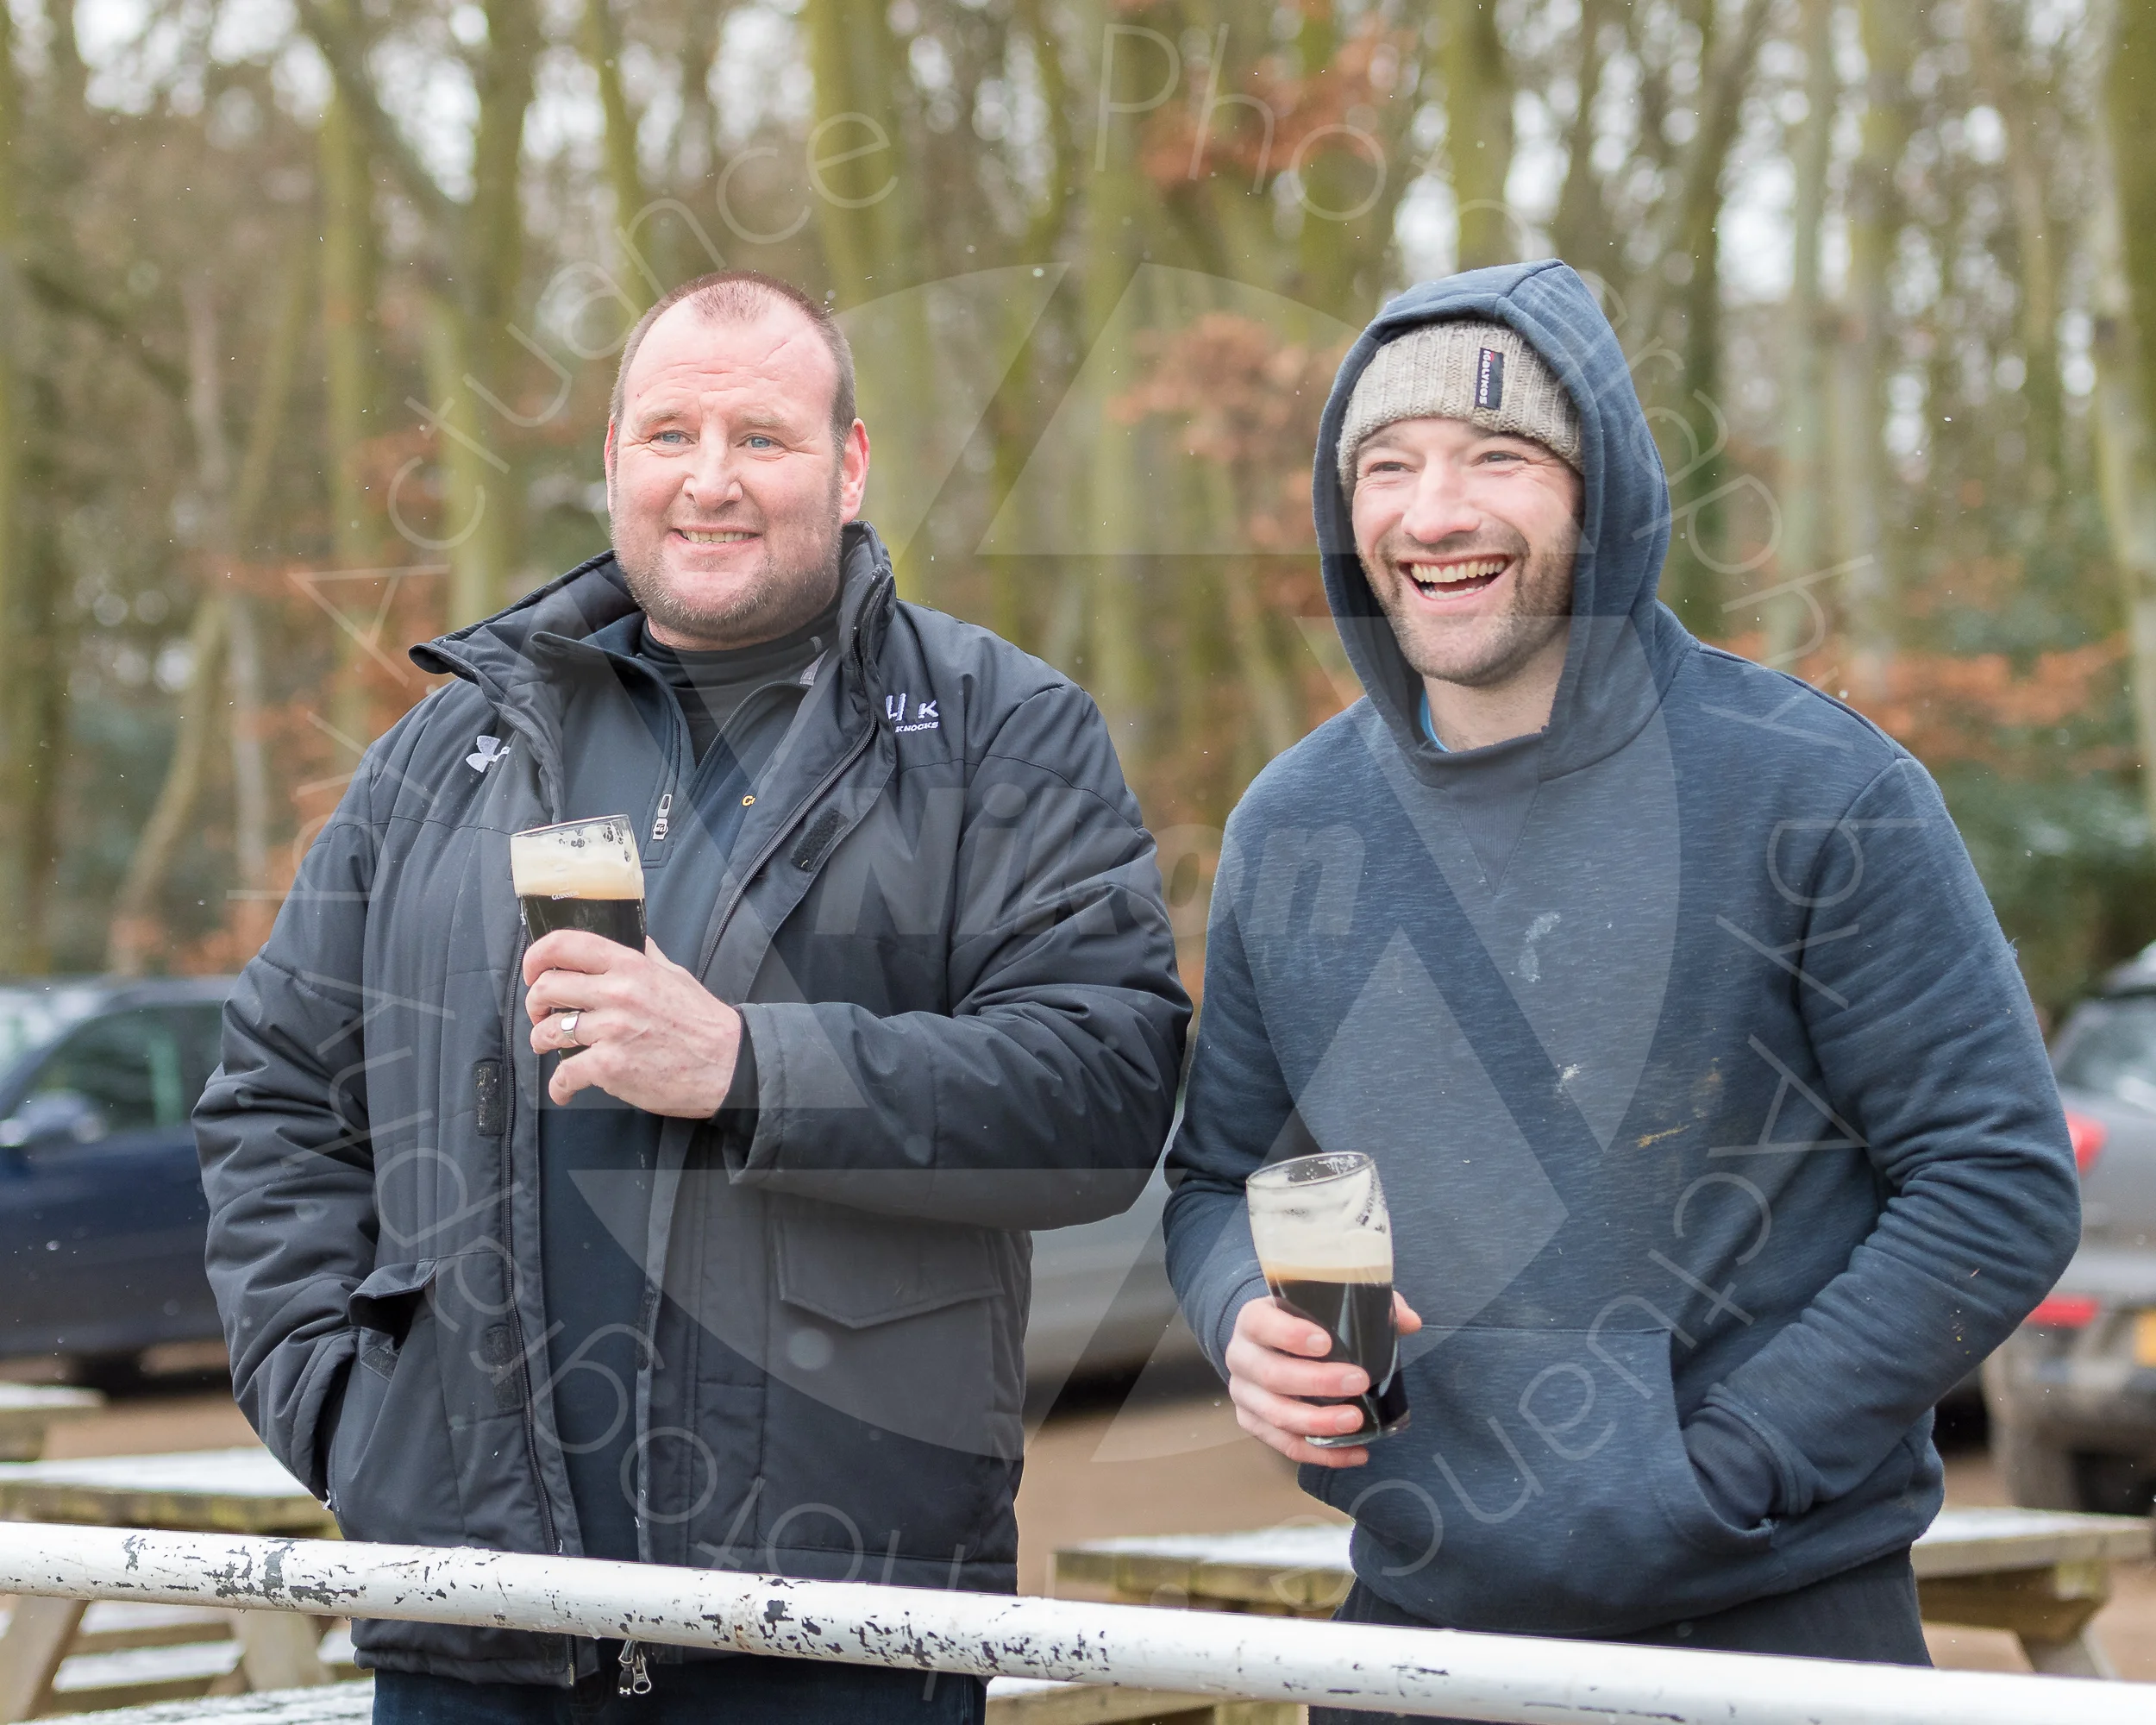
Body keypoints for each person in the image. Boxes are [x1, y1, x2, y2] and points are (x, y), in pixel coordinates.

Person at [196, 269, 1189, 1722]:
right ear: (610, 463)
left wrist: (749, 1066)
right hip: (476, 1628)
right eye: (668, 434)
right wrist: (351, 1418)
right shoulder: (445, 752)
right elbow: (276, 1095)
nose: (709, 480)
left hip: (839, 1631)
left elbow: (1102, 1093)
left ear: (849, 468)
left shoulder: (1000, 734)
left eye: (763, 439)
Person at [1163, 260, 2079, 1708]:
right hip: (1411, 1639)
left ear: (1604, 495)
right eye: (1386, 466)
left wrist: (1721, 1474)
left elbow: (1997, 1180)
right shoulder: (1297, 822)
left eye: (1497, 458)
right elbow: (1219, 1180)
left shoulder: (1816, 790)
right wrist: (1238, 1324)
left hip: (1772, 1642)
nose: (1434, 510)